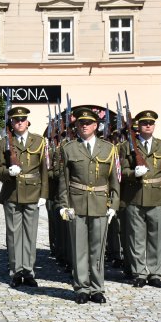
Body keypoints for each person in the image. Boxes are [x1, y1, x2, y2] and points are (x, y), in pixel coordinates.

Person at [57, 107, 120, 304]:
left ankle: (97, 288)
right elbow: (63, 180)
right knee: (79, 248)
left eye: (88, 123)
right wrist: (63, 204)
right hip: (76, 203)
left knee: (98, 248)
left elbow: (115, 179)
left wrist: (114, 204)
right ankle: (82, 288)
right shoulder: (68, 148)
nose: (84, 126)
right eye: (80, 123)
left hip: (100, 203)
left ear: (96, 126)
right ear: (76, 126)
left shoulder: (109, 149)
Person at [119, 110, 161, 289]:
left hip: (157, 197)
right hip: (135, 196)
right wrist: (133, 173)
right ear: (138, 126)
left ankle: (155, 273)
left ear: (154, 125)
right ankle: (140, 273)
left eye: (151, 123)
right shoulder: (127, 147)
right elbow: (121, 172)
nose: (148, 125)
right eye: (144, 123)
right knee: (136, 238)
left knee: (155, 237)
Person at [0, 106, 49, 288]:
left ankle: (29, 271)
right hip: (12, 194)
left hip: (33, 193)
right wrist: (8, 172)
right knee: (13, 235)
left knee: (30, 234)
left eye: (22, 119)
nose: (19, 122)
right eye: (15, 120)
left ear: (27, 122)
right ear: (11, 123)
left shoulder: (39, 142)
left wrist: (44, 194)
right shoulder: (4, 143)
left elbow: (44, 170)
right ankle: (16, 271)